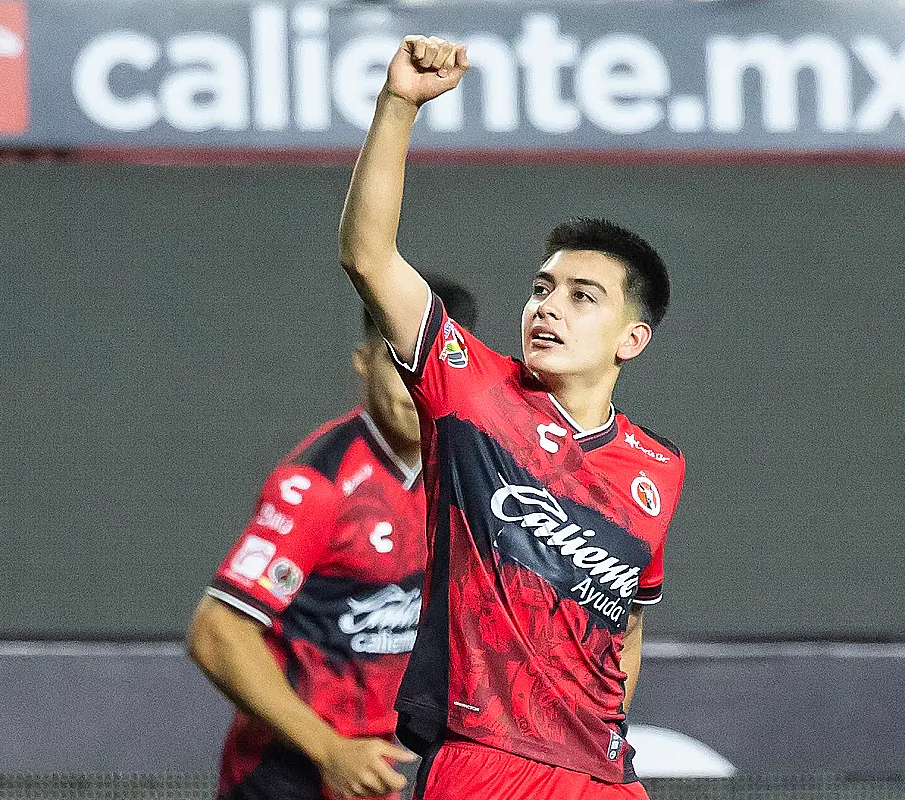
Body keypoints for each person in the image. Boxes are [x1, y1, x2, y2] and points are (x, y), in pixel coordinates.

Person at [336, 35, 687, 800]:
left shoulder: (659, 468)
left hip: (604, 775)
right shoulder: (470, 389)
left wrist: (609, 731)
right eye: (540, 289)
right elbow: (368, 255)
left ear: (633, 338)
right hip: (486, 758)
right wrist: (399, 104)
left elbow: (625, 619)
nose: (548, 308)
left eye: (581, 296)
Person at [188, 277, 479, 800]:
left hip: (392, 777)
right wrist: (330, 750)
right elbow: (217, 632)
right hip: (288, 778)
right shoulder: (318, 485)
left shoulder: (473, 481)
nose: (415, 388)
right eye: (398, 365)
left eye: (430, 368)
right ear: (364, 361)